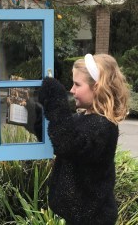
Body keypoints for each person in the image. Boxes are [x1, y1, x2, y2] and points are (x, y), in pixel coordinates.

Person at [38, 53, 130, 225]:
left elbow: (67, 144)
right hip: (81, 218)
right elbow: (58, 133)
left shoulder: (104, 126)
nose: (71, 90)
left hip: (95, 219)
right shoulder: (82, 118)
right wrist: (31, 112)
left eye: (77, 84)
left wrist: (57, 101)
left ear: (97, 87)